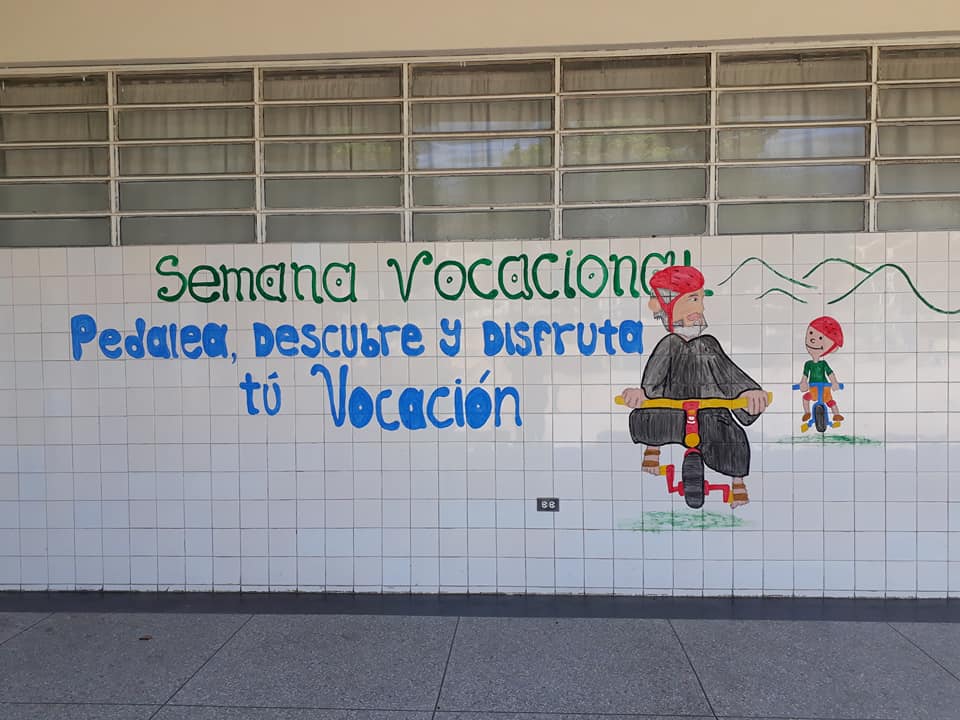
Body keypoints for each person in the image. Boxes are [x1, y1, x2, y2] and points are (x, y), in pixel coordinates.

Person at [619, 266, 768, 508]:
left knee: (733, 439)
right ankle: (652, 447)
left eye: (700, 300)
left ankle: (738, 481)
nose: (700, 309)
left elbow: (728, 374)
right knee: (646, 416)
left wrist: (748, 392)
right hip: (671, 409)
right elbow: (652, 379)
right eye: (693, 300)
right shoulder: (669, 344)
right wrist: (641, 394)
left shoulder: (708, 345)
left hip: (710, 411)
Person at [799, 316, 844, 423]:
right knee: (805, 398)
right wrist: (803, 383)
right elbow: (805, 376)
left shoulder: (823, 364)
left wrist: (834, 382)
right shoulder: (808, 364)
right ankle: (807, 413)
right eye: (811, 333)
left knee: (829, 401)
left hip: (825, 388)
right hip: (813, 389)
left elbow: (830, 373)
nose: (813, 340)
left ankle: (836, 414)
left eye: (820, 338)